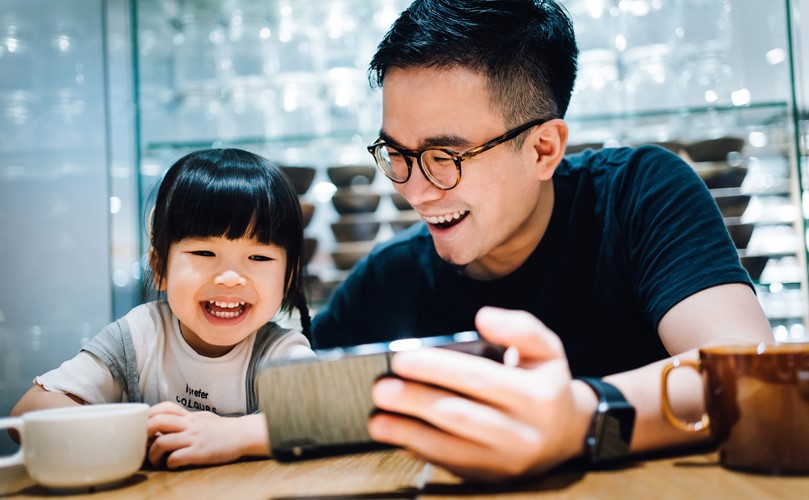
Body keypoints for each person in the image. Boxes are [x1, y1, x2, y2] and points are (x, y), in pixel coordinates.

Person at [311, 0, 773, 482]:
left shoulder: (637, 195)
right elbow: (292, 398)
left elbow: (748, 379)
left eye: (443, 155)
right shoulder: (389, 280)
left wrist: (580, 417)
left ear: (543, 150)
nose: (414, 190)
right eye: (395, 153)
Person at [11, 148, 314, 468]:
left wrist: (231, 435)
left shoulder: (278, 351)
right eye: (203, 253)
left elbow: (324, 418)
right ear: (160, 267)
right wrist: (124, 433)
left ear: (289, 276)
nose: (229, 278)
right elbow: (28, 411)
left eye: (259, 257)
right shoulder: (140, 336)